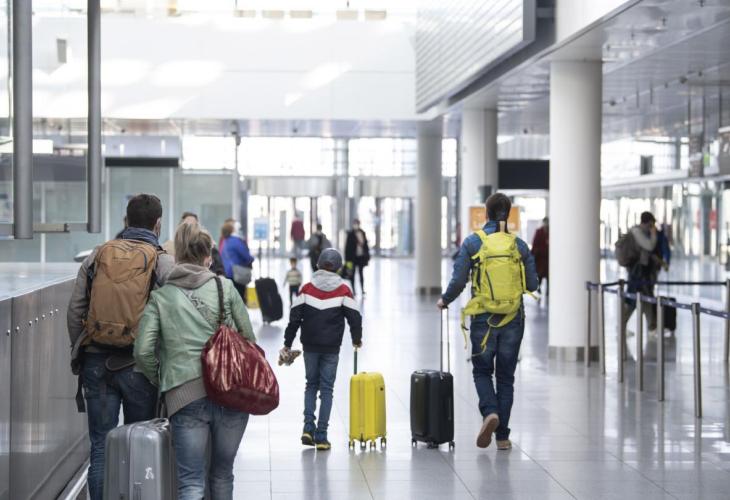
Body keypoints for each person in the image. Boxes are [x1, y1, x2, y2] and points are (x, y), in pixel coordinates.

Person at [134, 222, 256, 500]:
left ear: (177, 256)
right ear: (207, 257)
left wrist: (163, 379)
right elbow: (249, 338)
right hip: (230, 391)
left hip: (184, 395)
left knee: (191, 482)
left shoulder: (161, 297)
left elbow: (142, 350)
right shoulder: (225, 287)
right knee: (222, 474)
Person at [67, 194, 174, 500]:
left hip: (96, 361)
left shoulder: (98, 255)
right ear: (158, 224)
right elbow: (173, 314)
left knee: (101, 445)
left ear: (126, 221)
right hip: (140, 366)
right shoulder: (162, 261)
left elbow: (75, 310)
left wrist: (80, 349)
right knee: (140, 442)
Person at [437, 193, 538, 451]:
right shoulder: (519, 245)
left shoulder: (474, 242)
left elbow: (459, 280)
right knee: (506, 378)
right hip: (513, 317)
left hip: (484, 318)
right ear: (509, 214)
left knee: (482, 371)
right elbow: (532, 284)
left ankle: (490, 412)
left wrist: (445, 300)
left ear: (486, 213)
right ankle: (502, 437)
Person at [281, 248, 362, 450]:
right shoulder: (343, 290)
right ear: (338, 268)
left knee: (311, 385)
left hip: (310, 345)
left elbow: (294, 318)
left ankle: (307, 429)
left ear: (318, 265)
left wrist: (287, 343)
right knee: (327, 389)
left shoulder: (307, 289)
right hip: (331, 348)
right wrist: (356, 339)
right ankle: (322, 436)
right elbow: (355, 318)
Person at [623, 211, 664, 336]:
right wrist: (654, 234)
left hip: (641, 271)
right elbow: (649, 246)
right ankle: (623, 325)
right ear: (647, 223)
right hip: (637, 272)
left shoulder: (640, 232)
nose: (652, 227)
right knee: (633, 300)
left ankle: (651, 327)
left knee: (644, 299)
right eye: (651, 224)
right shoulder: (637, 232)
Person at [220, 220, 255, 302]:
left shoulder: (225, 241)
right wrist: (252, 259)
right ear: (232, 229)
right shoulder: (236, 241)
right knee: (240, 297)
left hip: (226, 273)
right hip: (237, 274)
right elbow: (247, 257)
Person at [344, 219, 370, 295]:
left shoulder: (363, 233)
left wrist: (367, 256)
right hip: (352, 258)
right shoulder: (350, 234)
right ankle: (354, 291)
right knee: (352, 274)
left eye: (357, 223)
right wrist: (347, 260)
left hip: (361, 257)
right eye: (354, 223)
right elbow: (347, 248)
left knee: (361, 273)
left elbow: (365, 245)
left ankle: (362, 290)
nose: (356, 225)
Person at [531, 217, 549, 297]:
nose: (546, 224)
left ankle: (548, 291)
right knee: (540, 275)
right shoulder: (539, 231)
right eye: (545, 222)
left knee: (549, 276)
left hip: (548, 259)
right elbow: (535, 243)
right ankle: (539, 288)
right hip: (540, 258)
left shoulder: (551, 232)